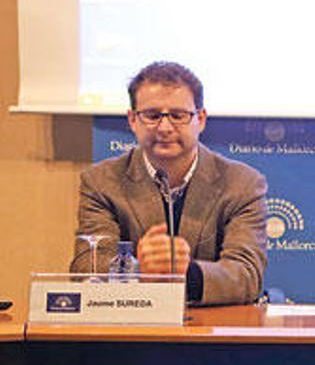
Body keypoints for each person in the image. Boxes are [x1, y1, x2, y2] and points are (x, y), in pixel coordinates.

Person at [71, 61, 268, 306]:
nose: (164, 128)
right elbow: (86, 267)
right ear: (133, 120)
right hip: (131, 332)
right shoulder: (101, 182)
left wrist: (187, 272)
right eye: (152, 116)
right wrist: (137, 269)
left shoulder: (242, 184)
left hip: (210, 335)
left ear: (201, 119)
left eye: (178, 116)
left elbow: (247, 275)